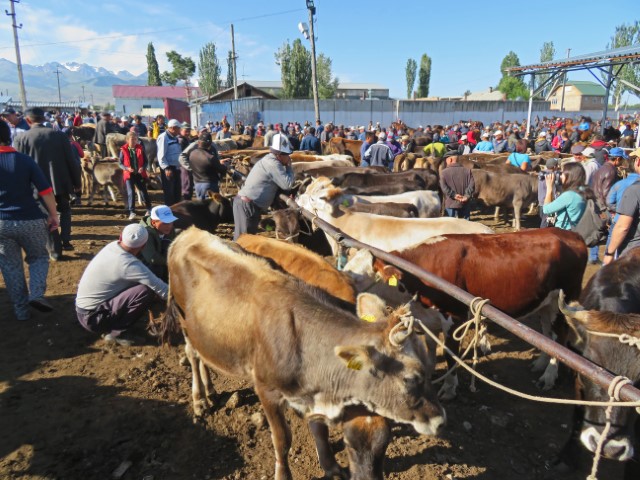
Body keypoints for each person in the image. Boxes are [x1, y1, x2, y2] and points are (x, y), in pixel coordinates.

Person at [0, 120, 59, 320]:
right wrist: (53, 215)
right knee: (39, 257)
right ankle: (36, 294)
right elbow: (45, 191)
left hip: (1, 224)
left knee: (10, 266)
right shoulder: (24, 160)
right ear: (8, 136)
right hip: (31, 220)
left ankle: (21, 311)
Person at [75, 223, 168, 346]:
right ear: (144, 245)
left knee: (143, 286)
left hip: (83, 310)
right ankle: (116, 334)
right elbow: (163, 290)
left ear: (120, 237)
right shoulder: (130, 265)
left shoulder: (112, 247)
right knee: (145, 291)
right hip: (94, 319)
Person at [13, 107, 82, 260]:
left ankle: (55, 250)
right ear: (43, 119)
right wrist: (77, 183)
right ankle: (66, 240)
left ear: (28, 120)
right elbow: (72, 162)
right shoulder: (60, 136)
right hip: (60, 182)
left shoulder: (21, 139)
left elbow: (18, 167)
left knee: (46, 216)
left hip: (36, 187)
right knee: (65, 210)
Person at [233, 133, 294, 240]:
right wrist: (289, 167)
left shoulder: (269, 160)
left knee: (244, 240)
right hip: (248, 206)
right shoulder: (273, 164)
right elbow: (287, 184)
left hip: (247, 205)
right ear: (279, 155)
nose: (289, 158)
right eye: (287, 155)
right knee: (244, 242)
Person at [179, 131, 229, 198]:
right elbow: (221, 169)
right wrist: (225, 166)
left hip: (197, 184)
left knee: (201, 205)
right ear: (210, 144)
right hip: (210, 185)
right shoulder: (210, 157)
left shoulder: (192, 154)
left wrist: (192, 169)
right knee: (211, 206)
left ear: (199, 142)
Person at [542, 162, 588, 230]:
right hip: (579, 229)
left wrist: (549, 188)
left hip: (564, 232)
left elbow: (546, 210)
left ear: (570, 176)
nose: (560, 176)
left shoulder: (569, 195)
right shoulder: (584, 190)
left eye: (562, 173)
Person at [119, 131, 152, 220]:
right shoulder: (123, 150)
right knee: (131, 192)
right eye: (132, 139)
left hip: (139, 174)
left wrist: (143, 168)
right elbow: (120, 163)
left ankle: (149, 209)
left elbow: (146, 161)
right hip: (129, 174)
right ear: (127, 140)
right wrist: (126, 168)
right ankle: (132, 211)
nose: (134, 141)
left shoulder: (140, 148)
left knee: (143, 191)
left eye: (135, 139)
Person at [139, 205, 177, 282]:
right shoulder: (144, 233)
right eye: (165, 223)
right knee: (157, 269)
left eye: (171, 222)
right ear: (153, 222)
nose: (169, 226)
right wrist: (173, 262)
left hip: (161, 259)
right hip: (142, 266)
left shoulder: (168, 229)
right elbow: (152, 258)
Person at [439, 155, 475, 220]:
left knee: (451, 226)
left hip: (451, 204)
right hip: (465, 203)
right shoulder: (468, 171)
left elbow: (444, 187)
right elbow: (471, 185)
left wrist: (454, 195)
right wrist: (466, 196)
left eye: (446, 160)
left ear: (450, 160)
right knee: (466, 226)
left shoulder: (443, 173)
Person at [157, 118, 183, 206]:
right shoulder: (163, 137)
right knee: (169, 192)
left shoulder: (175, 137)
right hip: (169, 169)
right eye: (178, 128)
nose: (179, 130)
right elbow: (161, 155)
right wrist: (166, 168)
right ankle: (169, 212)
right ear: (172, 128)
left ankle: (176, 211)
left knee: (177, 191)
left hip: (176, 167)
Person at [538, 158, 560, 227]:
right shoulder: (552, 176)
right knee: (546, 223)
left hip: (541, 203)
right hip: (548, 202)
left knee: (544, 220)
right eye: (557, 165)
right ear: (554, 167)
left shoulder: (541, 174)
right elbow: (554, 191)